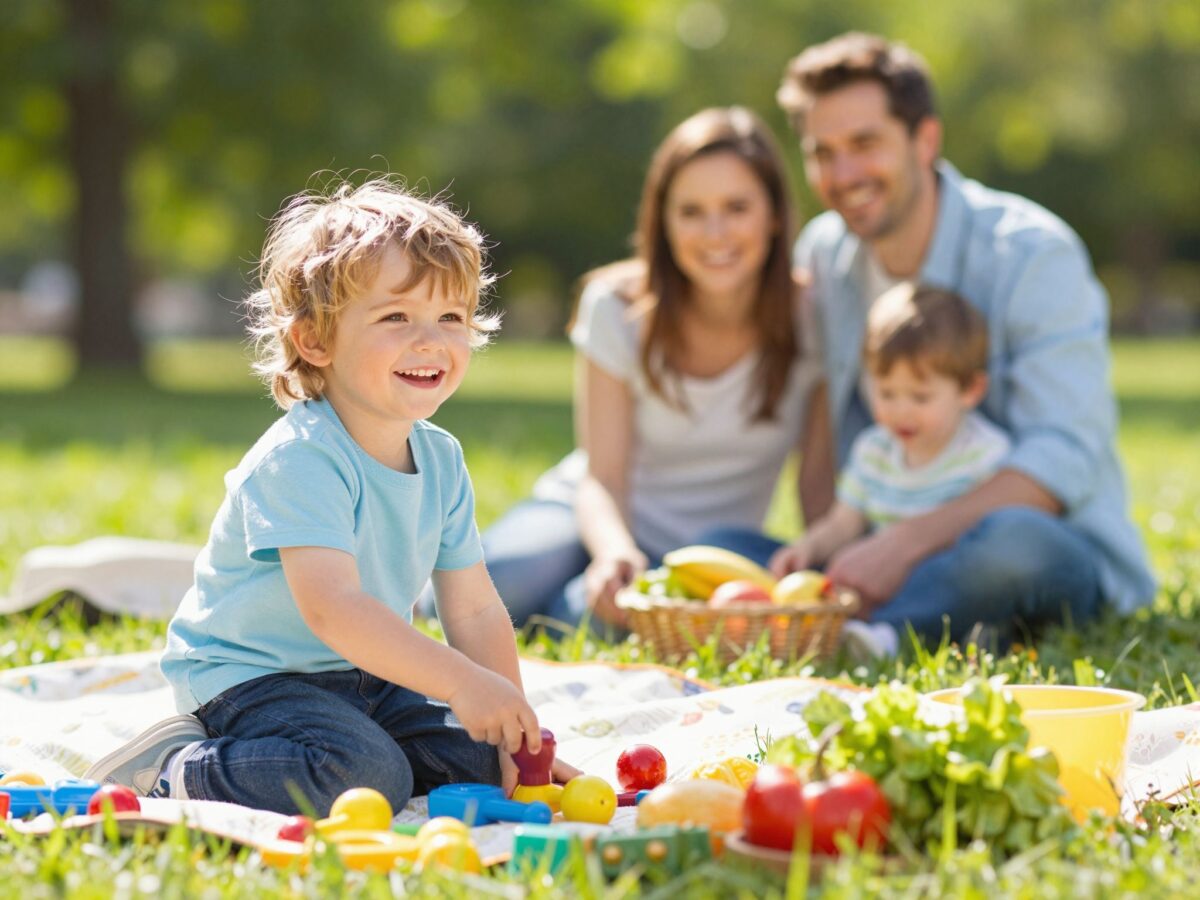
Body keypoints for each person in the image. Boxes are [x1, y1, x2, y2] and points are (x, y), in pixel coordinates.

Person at [85, 178, 576, 815]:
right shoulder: (303, 456)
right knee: (362, 775)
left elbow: (476, 608)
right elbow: (334, 609)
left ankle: (400, 745)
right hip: (255, 676)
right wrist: (458, 682)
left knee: (478, 760)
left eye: (450, 317)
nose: (429, 339)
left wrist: (512, 726)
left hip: (364, 674)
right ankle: (173, 768)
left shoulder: (442, 459)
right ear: (315, 340)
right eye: (396, 316)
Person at [720, 32, 1155, 648]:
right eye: (823, 152)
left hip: (1038, 553)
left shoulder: (1032, 253)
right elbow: (826, 414)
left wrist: (902, 544)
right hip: (880, 540)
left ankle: (875, 634)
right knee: (722, 547)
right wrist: (837, 541)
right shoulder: (825, 254)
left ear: (925, 139)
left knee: (1013, 547)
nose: (844, 174)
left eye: (866, 144)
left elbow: (1063, 459)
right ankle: (901, 621)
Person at [480, 107, 826, 631]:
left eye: (737, 207)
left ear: (775, 214)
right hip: (595, 522)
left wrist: (822, 569)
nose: (715, 233)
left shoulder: (814, 319)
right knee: (503, 580)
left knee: (594, 618)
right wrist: (614, 553)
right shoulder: (616, 306)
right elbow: (603, 477)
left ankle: (568, 609)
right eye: (691, 211)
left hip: (713, 548)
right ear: (663, 221)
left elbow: (817, 483)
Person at [778, 283, 1011, 657]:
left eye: (920, 397)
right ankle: (852, 626)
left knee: (968, 583)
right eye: (886, 393)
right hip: (875, 584)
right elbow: (843, 524)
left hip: (943, 587)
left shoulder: (984, 455)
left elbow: (991, 545)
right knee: (731, 540)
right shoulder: (874, 451)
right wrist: (807, 546)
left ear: (970, 389)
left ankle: (891, 633)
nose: (900, 411)